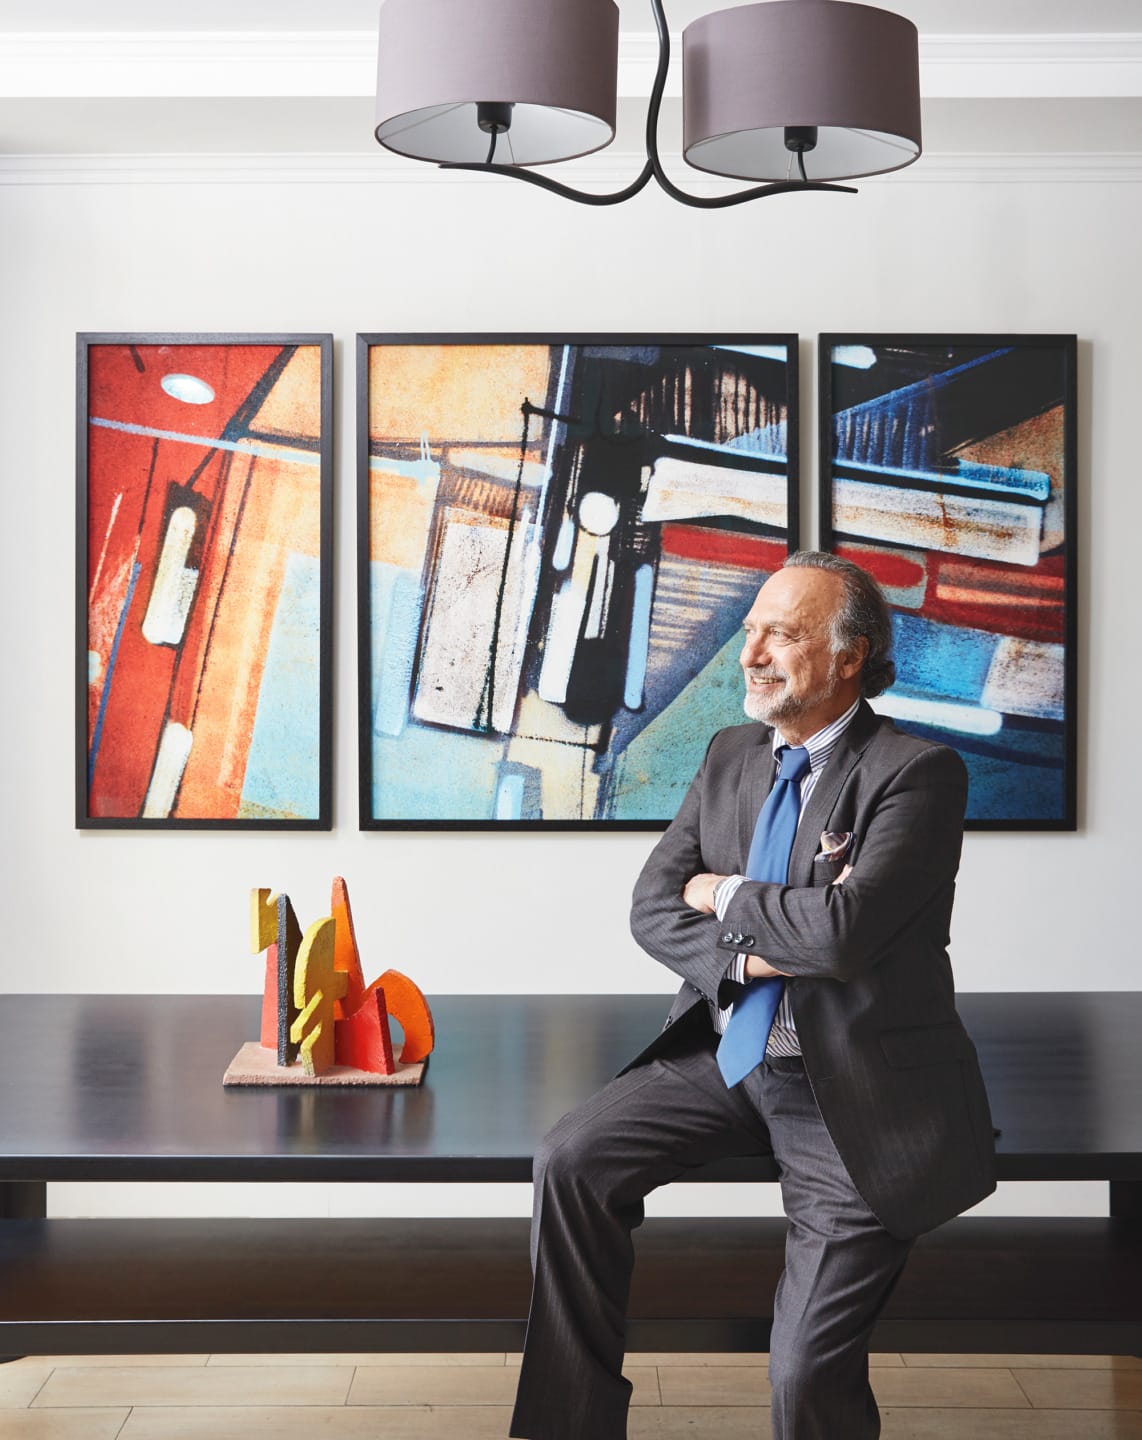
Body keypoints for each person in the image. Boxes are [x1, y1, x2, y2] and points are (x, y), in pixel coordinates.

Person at [509, 550, 996, 1440]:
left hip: (853, 1089)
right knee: (569, 1161)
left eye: (782, 633)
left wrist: (726, 892)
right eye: (750, 630)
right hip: (724, 1057)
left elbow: (842, 935)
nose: (751, 653)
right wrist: (759, 957)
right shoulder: (731, 754)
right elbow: (653, 908)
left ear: (849, 655)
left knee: (804, 1371)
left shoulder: (917, 774)